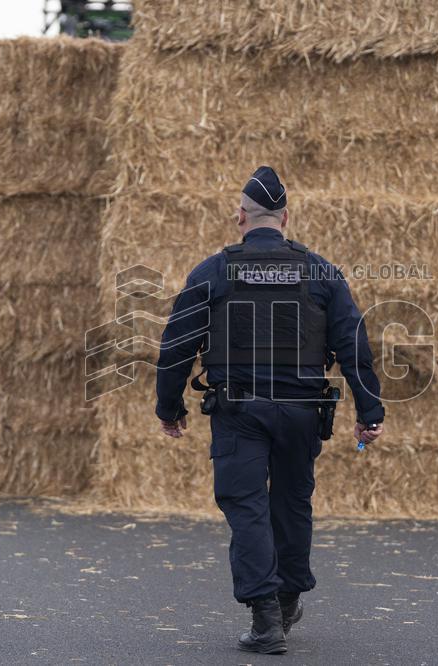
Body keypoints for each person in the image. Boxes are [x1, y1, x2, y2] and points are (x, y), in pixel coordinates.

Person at [155, 166, 385, 654]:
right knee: (292, 502)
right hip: (303, 411)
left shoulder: (213, 271)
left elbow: (177, 344)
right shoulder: (320, 271)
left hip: (240, 411)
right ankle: (286, 599)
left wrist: (169, 407)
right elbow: (353, 345)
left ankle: (265, 620)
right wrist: (370, 410)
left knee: (247, 506)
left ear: (240, 216)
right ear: (286, 218)